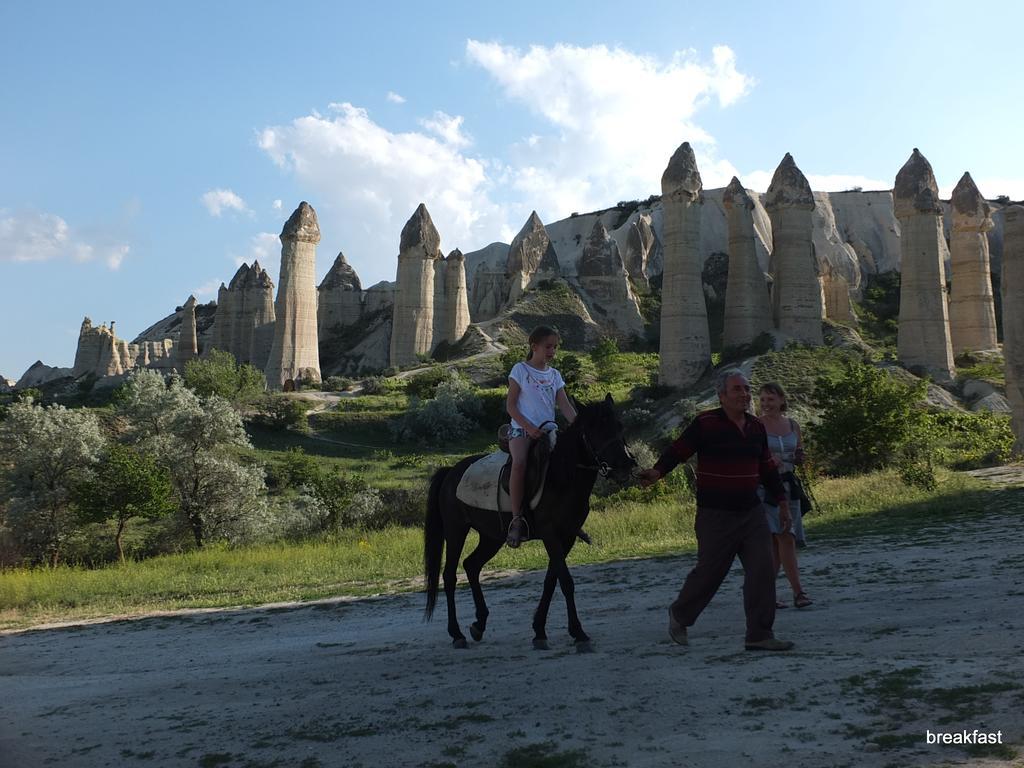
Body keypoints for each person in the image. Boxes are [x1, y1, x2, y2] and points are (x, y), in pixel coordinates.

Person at [637, 369, 794, 651]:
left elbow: (767, 468)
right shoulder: (706, 423)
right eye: (737, 390)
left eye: (747, 389)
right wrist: (658, 472)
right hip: (715, 515)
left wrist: (782, 503)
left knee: (762, 570)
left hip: (752, 512)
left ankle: (759, 635)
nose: (745, 395)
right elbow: (679, 450)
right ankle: (680, 615)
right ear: (721, 396)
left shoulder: (756, 428)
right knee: (710, 572)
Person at [505, 325, 577, 548]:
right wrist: (528, 427)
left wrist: (580, 427)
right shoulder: (520, 370)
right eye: (548, 346)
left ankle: (569, 513)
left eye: (555, 347)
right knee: (519, 464)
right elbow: (511, 405)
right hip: (521, 430)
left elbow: (565, 407)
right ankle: (517, 519)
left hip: (549, 431)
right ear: (534, 346)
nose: (552, 351)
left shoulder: (555, 375)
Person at [757, 382, 812, 609]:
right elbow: (751, 456)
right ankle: (798, 593)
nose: (766, 404)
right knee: (785, 537)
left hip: (790, 486)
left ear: (781, 400)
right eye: (762, 400)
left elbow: (798, 451)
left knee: (776, 543)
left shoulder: (793, 425)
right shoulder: (757, 426)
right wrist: (768, 461)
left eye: (770, 399)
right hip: (766, 489)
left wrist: (799, 456)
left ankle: (765, 595)